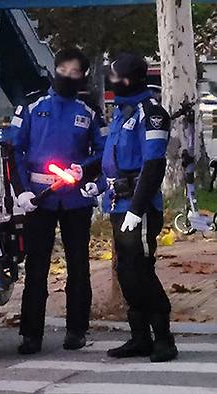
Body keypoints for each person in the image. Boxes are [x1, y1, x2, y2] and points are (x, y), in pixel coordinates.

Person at [9, 48, 107, 354]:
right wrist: (20, 191)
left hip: (75, 199)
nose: (67, 75)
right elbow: (14, 150)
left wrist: (86, 169)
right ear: (54, 69)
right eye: (62, 69)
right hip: (39, 200)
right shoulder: (31, 104)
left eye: (74, 71)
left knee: (79, 266)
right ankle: (31, 334)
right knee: (36, 267)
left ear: (83, 76)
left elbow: (105, 151)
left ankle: (77, 330)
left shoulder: (89, 110)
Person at [100, 53, 177, 363]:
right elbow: (114, 158)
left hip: (139, 206)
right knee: (126, 272)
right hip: (119, 202)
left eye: (115, 76)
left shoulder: (152, 113)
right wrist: (97, 182)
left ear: (130, 79)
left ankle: (164, 338)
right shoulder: (120, 112)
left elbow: (154, 165)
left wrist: (138, 208)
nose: (111, 81)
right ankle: (139, 337)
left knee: (140, 271)